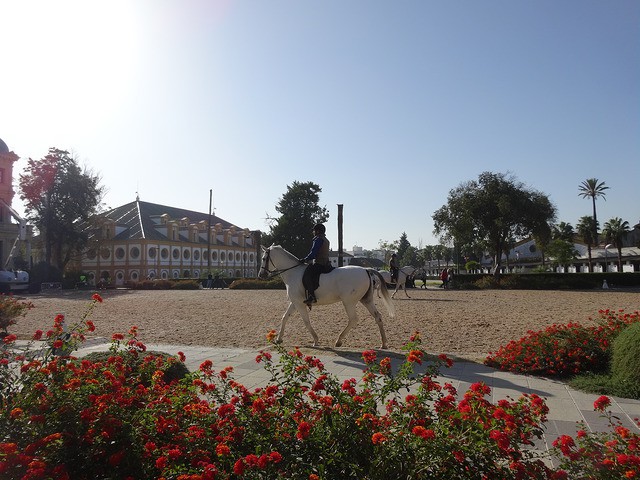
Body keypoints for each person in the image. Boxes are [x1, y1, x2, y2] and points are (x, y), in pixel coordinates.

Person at [299, 223, 333, 305]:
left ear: (317, 231)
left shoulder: (318, 239)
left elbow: (313, 253)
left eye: (314, 230)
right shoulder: (326, 240)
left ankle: (312, 296)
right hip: (326, 263)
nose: (313, 232)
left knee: (307, 275)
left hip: (319, 263)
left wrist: (305, 259)